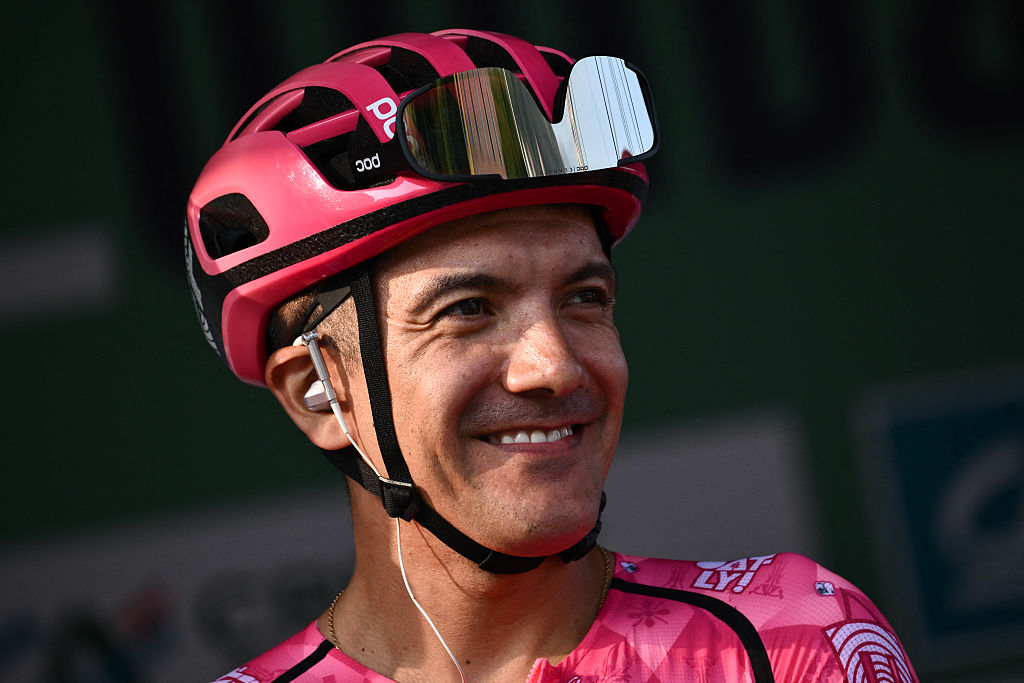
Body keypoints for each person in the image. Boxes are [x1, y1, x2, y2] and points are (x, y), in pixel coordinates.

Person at [186, 28, 919, 683]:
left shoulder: (786, 643)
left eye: (583, 299)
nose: (557, 366)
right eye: (468, 309)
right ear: (319, 387)